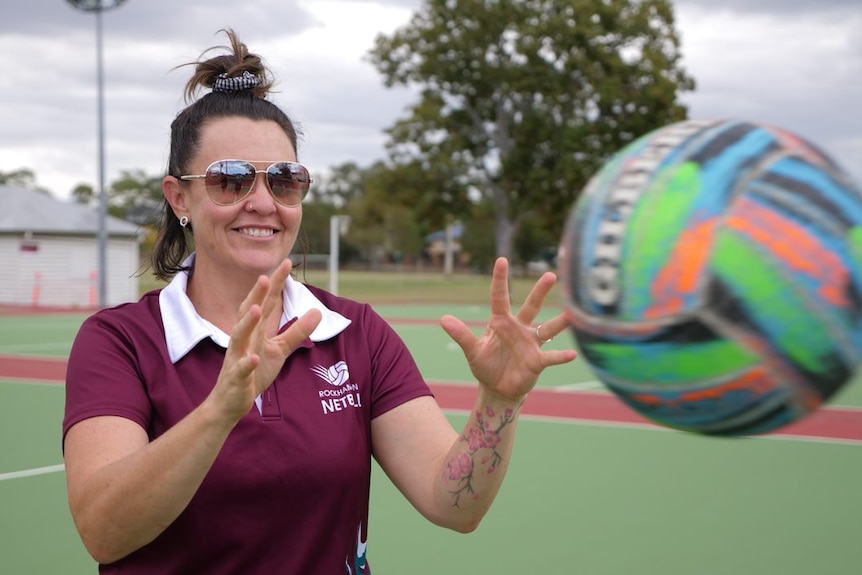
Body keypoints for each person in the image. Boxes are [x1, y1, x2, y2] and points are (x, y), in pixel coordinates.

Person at [62, 28, 578, 574]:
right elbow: (104, 532)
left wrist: (497, 402)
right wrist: (220, 412)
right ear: (179, 197)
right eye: (230, 181)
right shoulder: (119, 341)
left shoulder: (358, 333)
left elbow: (453, 504)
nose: (262, 202)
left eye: (284, 180)